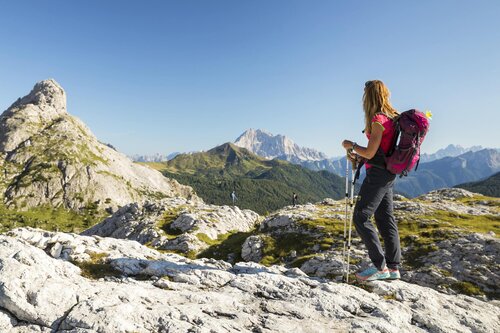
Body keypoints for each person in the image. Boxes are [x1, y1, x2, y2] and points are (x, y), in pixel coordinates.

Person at [341, 80, 401, 282]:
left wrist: (351, 145)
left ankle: (380, 267)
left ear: (370, 97)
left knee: (361, 216)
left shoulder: (378, 120)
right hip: (388, 172)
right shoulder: (392, 118)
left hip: (377, 175)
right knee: (385, 218)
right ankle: (393, 267)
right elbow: (378, 152)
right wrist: (359, 157)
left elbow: (370, 151)